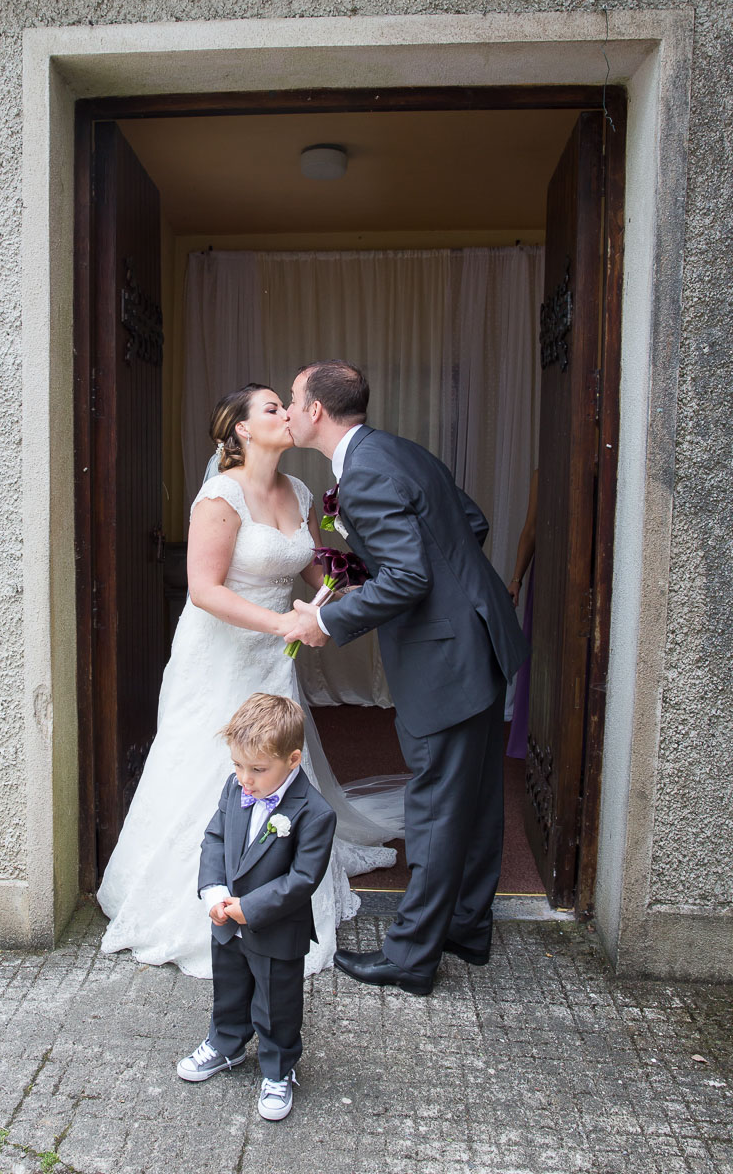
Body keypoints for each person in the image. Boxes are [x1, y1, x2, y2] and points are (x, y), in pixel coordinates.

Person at [97, 383, 394, 979]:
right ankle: (199, 895)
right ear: (240, 430)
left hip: (273, 656)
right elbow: (205, 591)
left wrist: (349, 584)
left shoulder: (300, 491)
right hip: (221, 653)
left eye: (285, 405)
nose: (286, 414)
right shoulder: (220, 496)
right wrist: (282, 620)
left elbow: (310, 563)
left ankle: (279, 880)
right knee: (210, 760)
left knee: (279, 757)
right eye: (272, 408)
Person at [284, 360, 529, 995]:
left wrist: (328, 624)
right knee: (473, 798)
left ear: (315, 411)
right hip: (480, 638)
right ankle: (467, 928)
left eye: (292, 398)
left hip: (446, 659)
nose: (288, 408)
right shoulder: (400, 453)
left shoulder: (364, 474)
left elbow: (410, 578)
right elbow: (468, 523)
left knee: (436, 806)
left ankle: (412, 957)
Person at [177, 694, 335, 1121]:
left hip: (275, 927)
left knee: (276, 1003)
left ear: (293, 759)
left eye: (258, 770)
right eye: (237, 766)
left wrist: (252, 906)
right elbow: (216, 838)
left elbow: (302, 879)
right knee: (229, 989)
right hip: (226, 920)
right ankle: (226, 1044)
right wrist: (213, 890)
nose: (244, 779)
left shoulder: (315, 813)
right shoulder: (236, 787)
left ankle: (279, 1069)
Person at [506, 469, 538, 759]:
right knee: (537, 650)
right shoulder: (543, 474)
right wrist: (517, 578)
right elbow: (531, 529)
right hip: (547, 566)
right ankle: (529, 734)